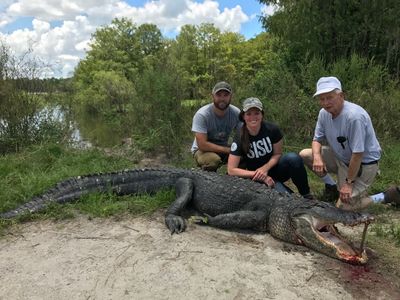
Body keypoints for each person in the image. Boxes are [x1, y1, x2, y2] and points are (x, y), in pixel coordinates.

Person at [299, 76, 400, 210]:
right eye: (322, 99)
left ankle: (387, 196)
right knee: (306, 154)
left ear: (341, 95)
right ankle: (332, 187)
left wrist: (348, 183)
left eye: (329, 97)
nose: (325, 102)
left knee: (343, 208)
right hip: (341, 158)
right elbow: (317, 139)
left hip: (363, 165)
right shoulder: (324, 113)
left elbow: (358, 154)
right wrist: (317, 157)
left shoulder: (354, 117)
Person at [227, 97, 314, 199]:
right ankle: (284, 191)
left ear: (262, 115)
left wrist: (265, 168)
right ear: (243, 116)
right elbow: (231, 170)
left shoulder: (272, 129)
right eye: (249, 114)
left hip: (276, 169)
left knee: (293, 158)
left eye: (256, 113)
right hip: (257, 177)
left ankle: (306, 194)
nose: (253, 117)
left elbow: (277, 154)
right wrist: (258, 174)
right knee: (288, 199)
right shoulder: (239, 136)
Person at [191, 81, 241, 171]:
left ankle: (233, 178)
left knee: (245, 156)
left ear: (231, 96)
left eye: (226, 95)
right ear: (212, 96)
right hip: (202, 150)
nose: (222, 98)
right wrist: (229, 150)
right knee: (213, 160)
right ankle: (204, 177)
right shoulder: (202, 114)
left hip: (223, 147)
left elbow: (243, 134)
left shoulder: (236, 113)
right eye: (219, 95)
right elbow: (202, 144)